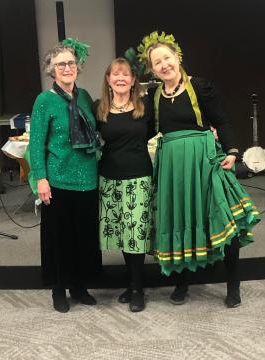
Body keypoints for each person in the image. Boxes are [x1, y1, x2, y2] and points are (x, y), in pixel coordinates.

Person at [137, 31, 260, 307]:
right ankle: (182, 282)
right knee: (179, 219)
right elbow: (143, 131)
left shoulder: (200, 86)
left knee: (222, 216)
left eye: (167, 58)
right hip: (172, 168)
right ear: (152, 69)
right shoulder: (154, 96)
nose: (164, 65)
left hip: (203, 161)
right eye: (157, 62)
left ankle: (233, 286)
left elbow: (221, 120)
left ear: (177, 57)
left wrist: (231, 150)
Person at [28, 39, 102, 313]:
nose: (67, 67)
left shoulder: (84, 97)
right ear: (51, 69)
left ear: (77, 67)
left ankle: (79, 286)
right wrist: (41, 178)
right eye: (61, 64)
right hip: (58, 180)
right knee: (59, 238)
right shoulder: (44, 101)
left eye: (71, 63)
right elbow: (36, 143)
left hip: (88, 179)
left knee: (83, 237)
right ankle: (59, 288)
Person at [95, 57, 155, 312]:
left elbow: (154, 130)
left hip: (138, 177)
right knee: (121, 234)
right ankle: (131, 284)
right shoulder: (98, 108)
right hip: (109, 178)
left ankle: (138, 289)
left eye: (125, 74)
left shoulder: (145, 106)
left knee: (136, 234)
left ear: (133, 81)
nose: (120, 78)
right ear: (108, 80)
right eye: (115, 74)